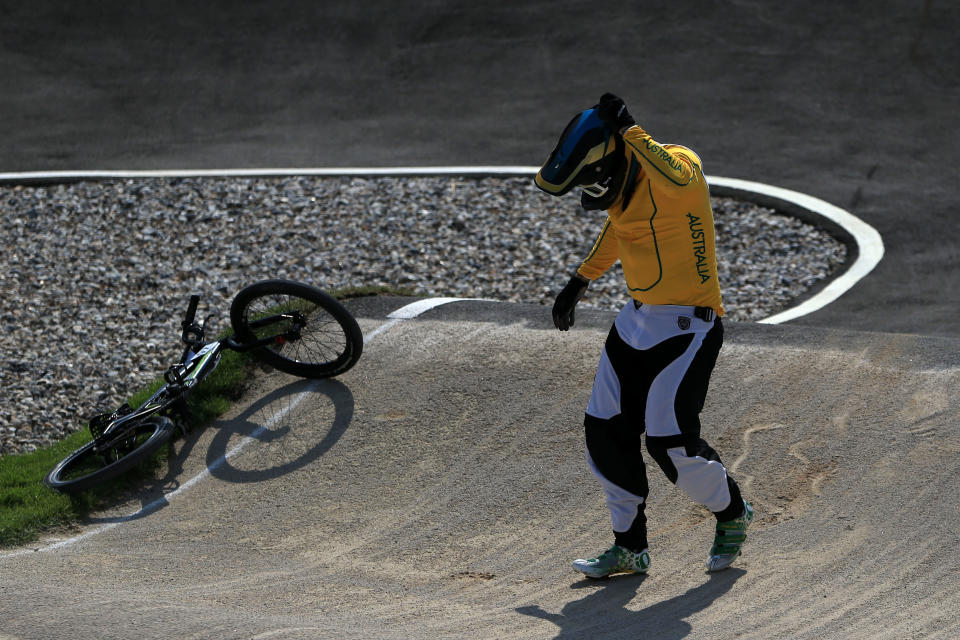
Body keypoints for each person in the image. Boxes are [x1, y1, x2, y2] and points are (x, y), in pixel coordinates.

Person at [534, 93, 753, 577]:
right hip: (634, 324)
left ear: (619, 155)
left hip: (689, 328)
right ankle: (629, 547)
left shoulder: (681, 168)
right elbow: (618, 230)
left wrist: (630, 128)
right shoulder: (626, 195)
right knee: (605, 430)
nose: (598, 190)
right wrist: (579, 281)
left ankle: (732, 512)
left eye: (599, 178)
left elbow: (677, 175)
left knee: (669, 443)